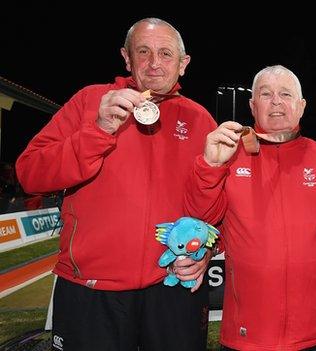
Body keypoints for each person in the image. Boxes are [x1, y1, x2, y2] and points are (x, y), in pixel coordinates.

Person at [15, 18, 217, 351]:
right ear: (126, 58)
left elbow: (217, 202)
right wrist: (97, 131)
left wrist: (209, 249)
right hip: (90, 290)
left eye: (166, 54)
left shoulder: (199, 119)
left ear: (183, 65)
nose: (154, 63)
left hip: (173, 285)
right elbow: (29, 174)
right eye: (144, 51)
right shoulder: (90, 101)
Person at [184, 65, 316, 350]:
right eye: (266, 94)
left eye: (285, 94)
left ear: (301, 106)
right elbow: (202, 219)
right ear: (253, 106)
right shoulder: (228, 154)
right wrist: (211, 166)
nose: (276, 101)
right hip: (247, 333)